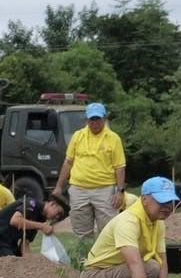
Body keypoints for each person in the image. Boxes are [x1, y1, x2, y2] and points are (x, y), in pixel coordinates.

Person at [80, 176, 178, 278]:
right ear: (144, 199)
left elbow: (162, 258)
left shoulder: (158, 222)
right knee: (151, 267)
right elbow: (134, 263)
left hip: (117, 272)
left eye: (170, 201)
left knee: (153, 266)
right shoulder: (128, 221)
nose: (167, 206)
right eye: (161, 201)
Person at [53, 102, 127, 244]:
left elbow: (120, 167)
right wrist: (59, 186)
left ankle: (105, 257)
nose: (95, 123)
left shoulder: (114, 138)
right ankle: (84, 257)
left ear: (104, 119)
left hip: (105, 190)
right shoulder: (77, 136)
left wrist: (120, 191)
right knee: (82, 232)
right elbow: (68, 162)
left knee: (107, 230)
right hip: (79, 189)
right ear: (86, 120)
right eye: (92, 119)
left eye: (98, 119)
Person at [0, 193, 70, 260]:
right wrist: (41, 226)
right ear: (53, 204)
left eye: (60, 217)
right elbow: (15, 221)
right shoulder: (32, 204)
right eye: (58, 213)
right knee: (12, 263)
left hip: (9, 242)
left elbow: (25, 243)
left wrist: (30, 261)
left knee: (19, 262)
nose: (57, 217)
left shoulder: (41, 218)